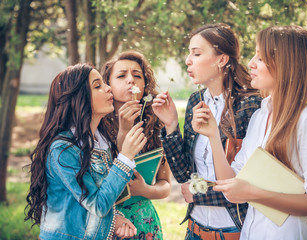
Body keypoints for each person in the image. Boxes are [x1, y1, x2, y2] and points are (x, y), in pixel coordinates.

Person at [192, 25, 307, 239]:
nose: (250, 63)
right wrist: (213, 136)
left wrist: (254, 193)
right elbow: (232, 184)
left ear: (285, 64)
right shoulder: (260, 116)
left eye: (260, 58)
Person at [152, 23, 261, 239]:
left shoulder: (250, 107)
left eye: (197, 53)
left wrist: (199, 194)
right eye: (189, 53)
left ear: (222, 59)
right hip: (195, 231)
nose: (188, 60)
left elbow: (250, 186)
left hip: (235, 231)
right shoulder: (197, 100)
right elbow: (185, 177)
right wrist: (171, 125)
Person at [25, 63, 147, 239]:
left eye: (104, 83)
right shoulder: (62, 149)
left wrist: (115, 219)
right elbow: (97, 204)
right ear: (79, 98)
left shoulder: (100, 140)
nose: (108, 88)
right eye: (97, 86)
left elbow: (96, 198)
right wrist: (125, 158)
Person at [101, 50, 171, 240]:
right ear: (108, 85)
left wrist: (146, 190)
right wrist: (124, 130)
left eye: (137, 76)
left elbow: (165, 184)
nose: (130, 80)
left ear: (144, 85)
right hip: (107, 222)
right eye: (121, 75)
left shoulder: (155, 125)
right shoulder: (95, 125)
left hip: (144, 223)